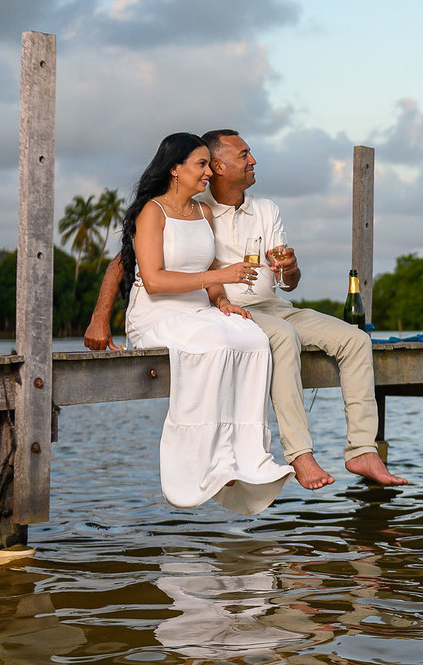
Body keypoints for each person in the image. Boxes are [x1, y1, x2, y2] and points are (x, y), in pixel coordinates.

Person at [86, 129, 407, 490]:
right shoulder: (188, 202)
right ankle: (296, 452)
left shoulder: (265, 209)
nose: (253, 161)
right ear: (218, 166)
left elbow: (289, 283)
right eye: (243, 156)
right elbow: (127, 262)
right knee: (281, 339)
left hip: (273, 304)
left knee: (354, 339)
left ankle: (362, 449)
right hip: (229, 313)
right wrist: (100, 319)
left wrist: (288, 269)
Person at [120, 132, 293, 514]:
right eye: (200, 165)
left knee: (251, 338)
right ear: (175, 170)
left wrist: (223, 301)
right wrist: (219, 280)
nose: (207, 174)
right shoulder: (153, 212)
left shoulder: (204, 212)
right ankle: (202, 463)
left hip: (199, 311)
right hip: (157, 314)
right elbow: (154, 280)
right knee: (215, 343)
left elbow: (209, 268)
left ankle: (249, 457)